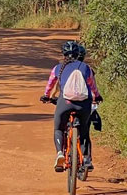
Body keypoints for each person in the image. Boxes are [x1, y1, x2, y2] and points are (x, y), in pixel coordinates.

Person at [41, 41, 102, 171]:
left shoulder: (58, 68)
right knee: (84, 130)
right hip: (83, 105)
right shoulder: (86, 68)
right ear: (78, 54)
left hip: (65, 103)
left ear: (63, 54)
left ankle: (60, 154)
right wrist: (97, 96)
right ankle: (86, 159)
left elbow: (50, 84)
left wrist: (46, 96)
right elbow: (93, 87)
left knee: (58, 128)